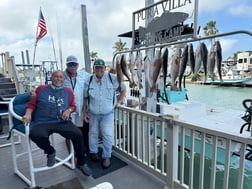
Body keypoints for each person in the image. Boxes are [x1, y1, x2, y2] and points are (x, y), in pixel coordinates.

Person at [22, 70, 92, 176]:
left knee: (78, 134)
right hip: (43, 122)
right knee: (35, 134)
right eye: (56, 76)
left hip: (62, 122)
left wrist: (68, 111)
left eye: (60, 77)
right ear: (51, 77)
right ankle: (50, 152)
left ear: (63, 79)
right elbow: (31, 104)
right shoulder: (41, 89)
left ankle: (81, 163)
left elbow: (73, 106)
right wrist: (28, 114)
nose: (58, 78)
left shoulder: (68, 91)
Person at [83, 59, 126, 168]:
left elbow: (123, 89)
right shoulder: (89, 80)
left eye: (101, 68)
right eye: (97, 67)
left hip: (108, 113)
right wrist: (84, 112)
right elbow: (85, 98)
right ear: (94, 69)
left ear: (104, 68)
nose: (99, 70)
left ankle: (106, 156)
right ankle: (93, 152)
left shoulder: (112, 78)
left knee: (107, 135)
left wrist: (119, 101)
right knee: (92, 134)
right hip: (93, 113)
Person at [64, 55, 91, 157]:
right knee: (69, 134)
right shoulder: (62, 76)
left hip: (80, 109)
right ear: (67, 65)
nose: (72, 67)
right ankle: (72, 155)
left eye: (74, 64)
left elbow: (96, 76)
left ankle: (83, 151)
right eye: (70, 64)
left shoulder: (84, 75)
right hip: (68, 111)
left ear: (77, 65)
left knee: (82, 132)